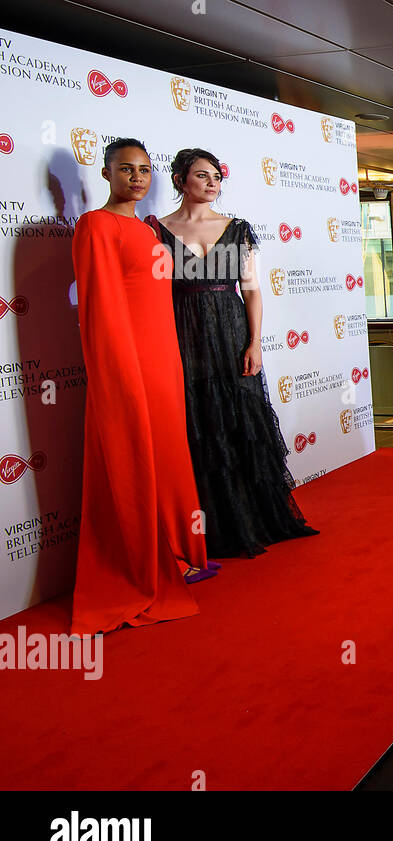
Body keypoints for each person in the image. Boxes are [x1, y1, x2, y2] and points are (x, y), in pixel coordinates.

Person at [70, 138, 213, 635]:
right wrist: (119, 376)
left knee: (168, 456)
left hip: (163, 363)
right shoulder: (96, 225)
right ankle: (141, 562)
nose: (137, 178)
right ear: (106, 174)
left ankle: (177, 550)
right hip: (129, 367)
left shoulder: (147, 229)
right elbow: (100, 309)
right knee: (136, 456)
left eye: (145, 170)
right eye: (126, 169)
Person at [149, 147, 318, 558]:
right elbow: (152, 294)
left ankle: (256, 519)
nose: (212, 184)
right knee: (200, 424)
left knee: (242, 422)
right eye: (203, 176)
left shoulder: (236, 229)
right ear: (179, 181)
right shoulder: (156, 230)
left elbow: (252, 290)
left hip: (232, 335)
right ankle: (211, 528)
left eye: (217, 177)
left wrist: (255, 341)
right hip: (184, 337)